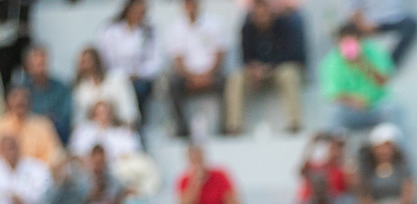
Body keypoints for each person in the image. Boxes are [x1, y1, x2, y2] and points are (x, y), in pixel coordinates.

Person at [224, 0, 308, 136]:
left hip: (277, 72)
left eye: (264, 14)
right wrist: (254, 69)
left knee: (288, 73)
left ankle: (294, 123)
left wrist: (270, 67)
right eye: (258, 15)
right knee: (236, 78)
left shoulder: (285, 26)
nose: (262, 18)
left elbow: (292, 55)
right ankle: (234, 126)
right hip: (256, 76)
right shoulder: (247, 28)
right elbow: (246, 56)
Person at [166, 0, 228, 138]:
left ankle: (225, 126)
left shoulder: (214, 23)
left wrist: (207, 75)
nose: (191, 7)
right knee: (173, 84)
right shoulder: (175, 28)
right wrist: (192, 77)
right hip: (187, 76)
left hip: (211, 73)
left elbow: (220, 54)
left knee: (228, 83)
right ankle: (181, 129)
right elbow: (178, 60)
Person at [320, 23, 397, 132]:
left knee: (391, 108)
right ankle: (335, 140)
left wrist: (363, 63)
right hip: (350, 111)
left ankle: (392, 141)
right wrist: (353, 100)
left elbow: (383, 82)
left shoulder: (374, 52)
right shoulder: (331, 62)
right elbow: (333, 95)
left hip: (375, 107)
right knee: (334, 111)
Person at [99, 0, 160, 125]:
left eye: (142, 12)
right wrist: (121, 74)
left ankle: (136, 124)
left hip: (139, 78)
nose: (139, 15)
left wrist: (138, 73)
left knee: (139, 90)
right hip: (114, 76)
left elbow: (156, 62)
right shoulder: (111, 31)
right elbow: (104, 57)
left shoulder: (148, 32)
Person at [0, 85, 64, 167]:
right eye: (15, 96)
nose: (20, 100)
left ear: (30, 101)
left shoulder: (43, 126)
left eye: (24, 97)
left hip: (37, 174)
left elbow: (55, 156)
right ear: (6, 102)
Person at [15, 45, 73, 143]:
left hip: (56, 133)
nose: (41, 67)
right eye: (38, 64)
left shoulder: (61, 87)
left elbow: (65, 114)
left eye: (43, 63)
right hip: (29, 134)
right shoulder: (22, 90)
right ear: (28, 66)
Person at [72, 46, 139, 129]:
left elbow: (129, 112)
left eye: (88, 61)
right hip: (93, 130)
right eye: (83, 62)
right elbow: (79, 117)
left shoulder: (117, 80)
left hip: (119, 128)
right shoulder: (81, 88)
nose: (85, 66)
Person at [344, 0, 417, 67]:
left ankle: (389, 65)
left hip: (395, 18)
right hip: (370, 23)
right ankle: (353, 66)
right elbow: (354, 9)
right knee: (347, 34)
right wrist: (362, 24)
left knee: (411, 25)